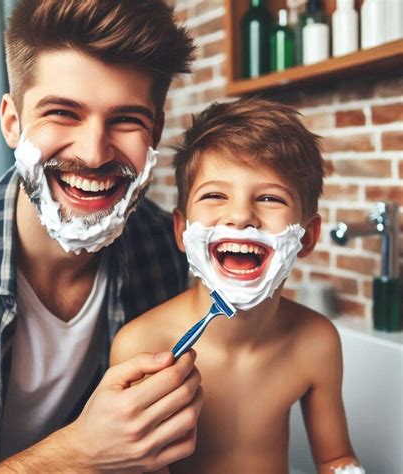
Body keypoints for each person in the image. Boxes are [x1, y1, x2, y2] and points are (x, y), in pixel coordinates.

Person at [0, 0, 204, 472]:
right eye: (62, 113)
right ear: (12, 122)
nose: (95, 153)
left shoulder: (172, 251)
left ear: (155, 132)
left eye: (126, 120)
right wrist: (80, 452)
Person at [111, 98, 364, 473]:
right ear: (181, 231)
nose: (241, 216)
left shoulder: (316, 342)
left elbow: (335, 459)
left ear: (307, 237)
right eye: (215, 195)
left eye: (269, 198)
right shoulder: (142, 347)